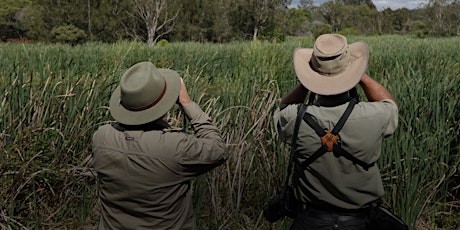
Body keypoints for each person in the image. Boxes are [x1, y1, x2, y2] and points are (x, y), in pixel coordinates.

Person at [273, 34, 399, 229]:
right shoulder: (374, 116)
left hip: (309, 221)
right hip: (360, 222)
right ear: (352, 73)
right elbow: (390, 105)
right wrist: (360, 76)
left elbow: (282, 108)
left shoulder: (292, 118)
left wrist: (309, 80)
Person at [92, 61, 227, 230]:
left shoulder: (101, 138)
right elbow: (218, 149)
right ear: (164, 104)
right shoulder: (175, 147)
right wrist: (187, 103)